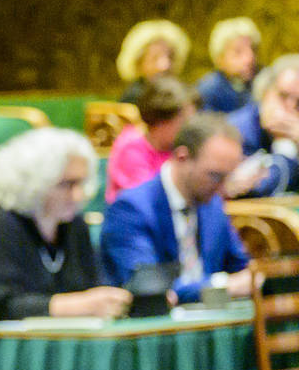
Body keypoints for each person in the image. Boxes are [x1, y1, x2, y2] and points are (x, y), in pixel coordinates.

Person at [0, 129, 130, 366]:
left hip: (43, 346)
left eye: (81, 183)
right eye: (66, 184)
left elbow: (94, 284)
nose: (78, 195)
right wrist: (84, 305)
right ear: (34, 184)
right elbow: (8, 307)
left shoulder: (74, 225)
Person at [100, 112, 253, 305]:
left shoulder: (212, 204)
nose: (223, 188)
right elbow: (147, 288)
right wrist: (221, 285)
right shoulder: (131, 208)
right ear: (182, 157)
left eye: (228, 178)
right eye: (215, 176)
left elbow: (242, 268)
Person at [105, 75, 193, 202]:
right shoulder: (131, 147)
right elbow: (148, 199)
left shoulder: (177, 146)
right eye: (183, 121)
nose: (188, 128)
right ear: (161, 121)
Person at [224, 53, 299, 198]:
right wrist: (286, 151)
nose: (290, 107)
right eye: (283, 96)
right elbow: (255, 190)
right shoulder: (236, 130)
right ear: (265, 92)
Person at [115, 19, 189, 105]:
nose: (165, 65)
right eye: (155, 58)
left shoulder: (181, 95)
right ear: (138, 62)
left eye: (170, 57)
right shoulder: (132, 100)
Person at [196, 17, 261, 114]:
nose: (250, 58)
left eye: (253, 49)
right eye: (238, 52)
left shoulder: (262, 81)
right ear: (220, 58)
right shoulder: (208, 90)